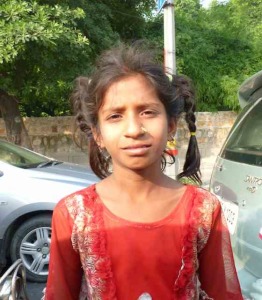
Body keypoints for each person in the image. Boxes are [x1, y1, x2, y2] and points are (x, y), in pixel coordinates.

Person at [44, 44, 243, 300]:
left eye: (148, 112)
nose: (134, 129)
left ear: (171, 125)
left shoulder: (204, 210)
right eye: (115, 116)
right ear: (98, 134)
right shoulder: (74, 214)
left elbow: (225, 294)